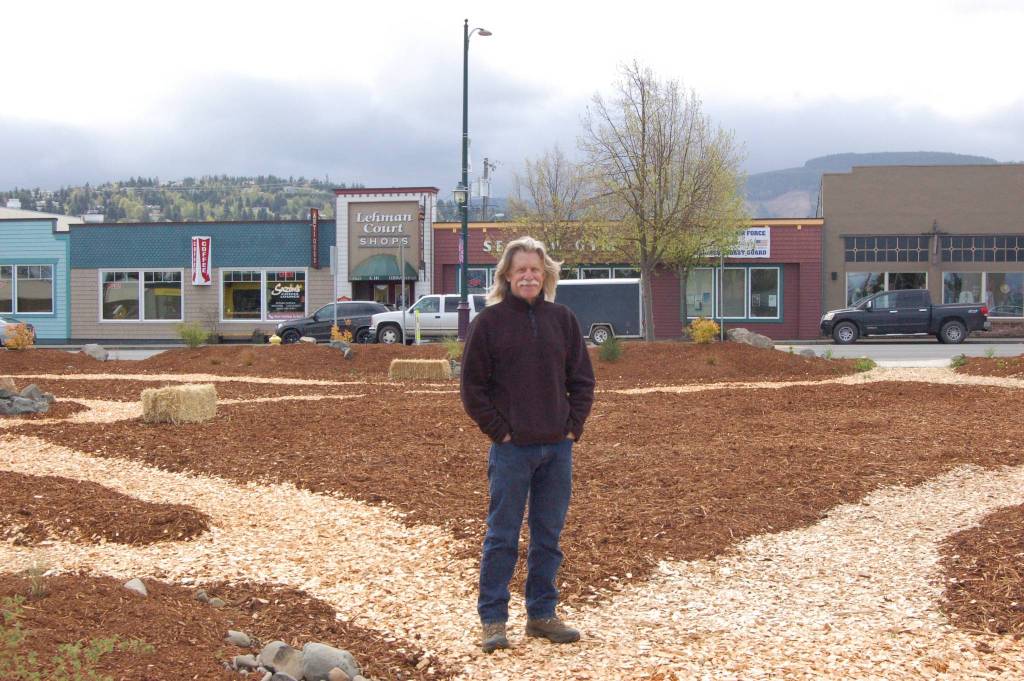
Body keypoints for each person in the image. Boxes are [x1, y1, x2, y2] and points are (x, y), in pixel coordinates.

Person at [460, 236, 595, 653]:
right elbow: (472, 388)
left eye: (535, 269)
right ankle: (493, 621)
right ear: (507, 274)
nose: (528, 276)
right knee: (502, 536)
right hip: (511, 451)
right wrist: (500, 432)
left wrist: (572, 428)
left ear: (545, 274)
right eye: (521, 270)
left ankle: (541, 614)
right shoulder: (489, 323)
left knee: (547, 537)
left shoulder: (562, 319)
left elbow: (582, 381)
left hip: (557, 449)